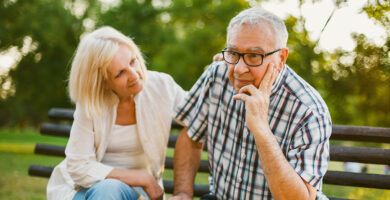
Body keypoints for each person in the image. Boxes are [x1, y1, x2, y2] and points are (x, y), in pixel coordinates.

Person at [169, 7, 332, 200]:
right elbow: (191, 137)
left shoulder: (309, 111)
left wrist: (261, 129)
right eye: (233, 53)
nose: (239, 69)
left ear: (281, 58)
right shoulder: (217, 76)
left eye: (254, 56)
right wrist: (182, 193)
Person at [46, 26, 186, 200]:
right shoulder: (91, 103)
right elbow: (78, 166)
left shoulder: (162, 86)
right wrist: (141, 177)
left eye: (133, 61)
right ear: (103, 83)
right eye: (120, 73)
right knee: (108, 189)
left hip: (139, 195)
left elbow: (200, 115)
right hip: (87, 190)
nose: (134, 74)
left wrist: (222, 67)